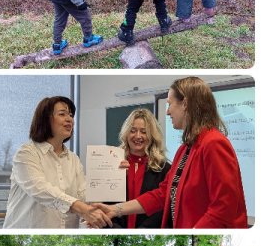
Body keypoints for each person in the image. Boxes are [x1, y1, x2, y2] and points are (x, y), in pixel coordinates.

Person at [94, 77, 247, 228]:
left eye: (170, 104)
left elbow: (224, 207)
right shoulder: (186, 148)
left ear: (185, 104)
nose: (167, 112)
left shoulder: (213, 143)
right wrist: (115, 209)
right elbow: (162, 193)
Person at [3, 96, 111, 229]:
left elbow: (83, 194)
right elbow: (40, 189)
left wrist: (113, 174)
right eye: (62, 114)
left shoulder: (73, 159)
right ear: (45, 119)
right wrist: (80, 208)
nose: (69, 119)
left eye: (71, 115)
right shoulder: (26, 153)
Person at [111, 108, 170, 228]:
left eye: (144, 132)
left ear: (152, 135)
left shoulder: (164, 168)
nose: (138, 136)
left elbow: (163, 208)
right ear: (126, 134)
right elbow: (106, 202)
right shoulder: (113, 163)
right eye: (133, 131)